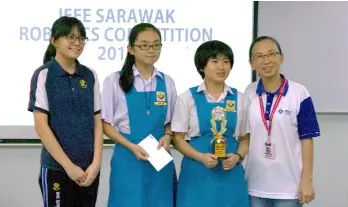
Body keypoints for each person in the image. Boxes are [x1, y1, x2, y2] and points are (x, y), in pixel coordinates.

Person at [28, 16, 103, 207]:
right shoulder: (44, 74)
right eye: (70, 37)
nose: (77, 43)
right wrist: (69, 167)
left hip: (89, 171)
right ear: (54, 41)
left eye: (81, 38)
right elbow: (41, 126)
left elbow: (97, 122)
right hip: (57, 169)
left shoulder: (90, 75)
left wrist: (96, 164)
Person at [101, 23, 177, 207]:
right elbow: (104, 124)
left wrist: (168, 136)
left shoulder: (167, 82)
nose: (151, 50)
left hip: (159, 158)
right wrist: (131, 146)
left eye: (156, 45)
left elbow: (171, 122)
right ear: (131, 49)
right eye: (144, 45)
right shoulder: (115, 81)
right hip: (128, 157)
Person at [171, 40, 250, 207]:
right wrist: (201, 157)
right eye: (215, 61)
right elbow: (177, 139)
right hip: (197, 175)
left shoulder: (241, 98)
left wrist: (237, 157)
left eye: (226, 61)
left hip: (230, 175)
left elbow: (245, 138)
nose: (221, 67)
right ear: (201, 66)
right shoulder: (187, 98)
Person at [244, 36, 320, 207]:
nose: (266, 60)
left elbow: (307, 139)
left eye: (271, 54)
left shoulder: (299, 93)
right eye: (260, 56)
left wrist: (307, 180)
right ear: (252, 64)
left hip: (289, 188)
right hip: (255, 185)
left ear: (281, 57)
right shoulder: (248, 93)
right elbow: (245, 137)